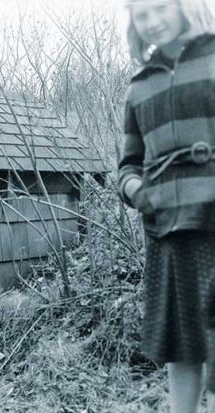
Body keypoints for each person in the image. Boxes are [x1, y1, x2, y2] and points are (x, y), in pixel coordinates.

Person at [118, 0, 215, 411]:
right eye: (142, 15)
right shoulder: (139, 86)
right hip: (166, 232)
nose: (152, 21)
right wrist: (141, 194)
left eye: (160, 8)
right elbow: (126, 166)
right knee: (181, 346)